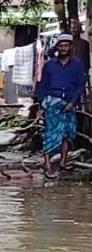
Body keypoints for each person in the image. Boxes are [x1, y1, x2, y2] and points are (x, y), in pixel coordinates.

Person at [37, 34, 87, 177]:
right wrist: (41, 105)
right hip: (52, 102)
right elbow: (43, 85)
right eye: (61, 45)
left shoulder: (78, 65)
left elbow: (80, 85)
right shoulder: (50, 65)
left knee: (67, 133)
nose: (63, 48)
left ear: (71, 47)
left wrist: (73, 102)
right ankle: (47, 164)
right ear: (57, 47)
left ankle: (63, 162)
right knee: (51, 133)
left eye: (66, 45)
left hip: (70, 102)